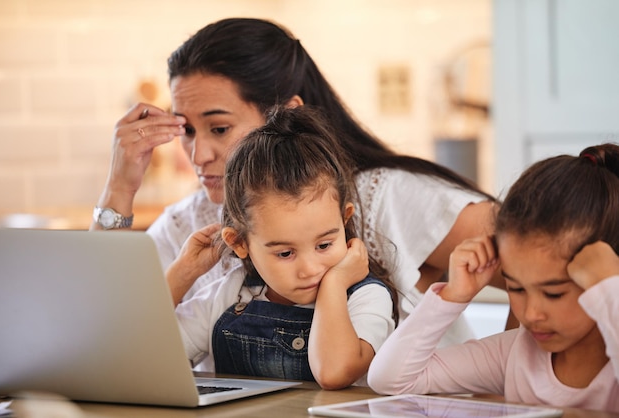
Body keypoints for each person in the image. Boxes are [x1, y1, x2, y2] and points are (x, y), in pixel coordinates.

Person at [91, 17, 505, 344]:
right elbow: (100, 332)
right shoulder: (191, 224)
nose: (199, 155)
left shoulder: (384, 196)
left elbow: (535, 248)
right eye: (187, 131)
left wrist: (515, 380)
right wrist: (120, 188)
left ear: (286, 115)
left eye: (218, 129)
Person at [367, 144, 619, 411]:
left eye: (553, 293)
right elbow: (389, 379)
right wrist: (453, 295)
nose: (531, 314)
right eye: (516, 289)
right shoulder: (514, 354)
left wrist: (610, 287)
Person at [168, 105, 396, 389]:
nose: (310, 269)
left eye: (324, 245)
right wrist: (179, 276)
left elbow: (334, 372)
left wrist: (335, 284)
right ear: (239, 243)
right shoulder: (230, 295)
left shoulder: (365, 298)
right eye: (286, 253)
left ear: (344, 219)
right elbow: (145, 361)